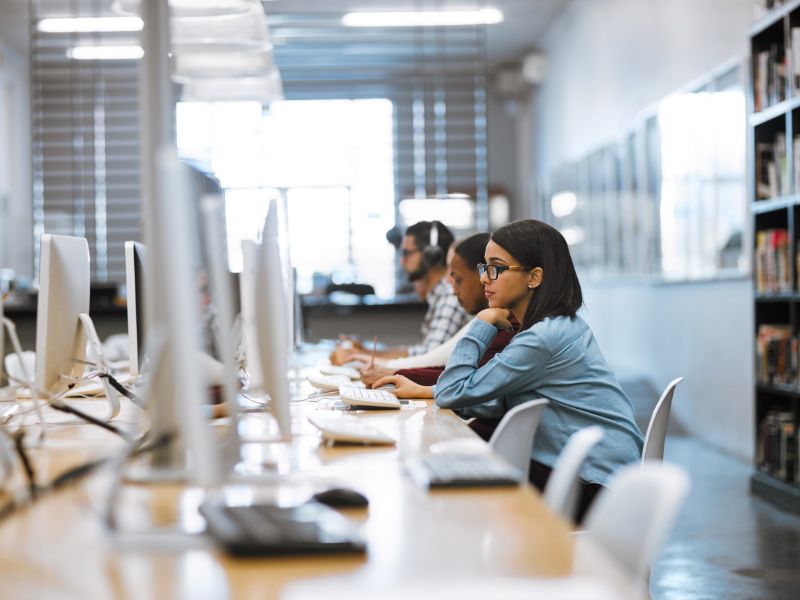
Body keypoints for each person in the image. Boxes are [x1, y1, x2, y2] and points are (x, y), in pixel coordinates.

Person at [381, 219, 643, 522]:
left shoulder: (542, 338)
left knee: (459, 491)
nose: (484, 279)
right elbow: (496, 399)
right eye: (484, 268)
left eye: (496, 268)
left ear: (534, 277)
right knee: (457, 473)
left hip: (596, 486)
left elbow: (455, 391)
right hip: (600, 475)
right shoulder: (553, 327)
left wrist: (482, 323)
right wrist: (428, 391)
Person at [331, 220, 470, 364]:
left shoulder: (450, 297)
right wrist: (365, 351)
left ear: (431, 255)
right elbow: (421, 352)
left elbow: (427, 361)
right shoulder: (440, 297)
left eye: (407, 253)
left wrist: (360, 355)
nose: (402, 261)